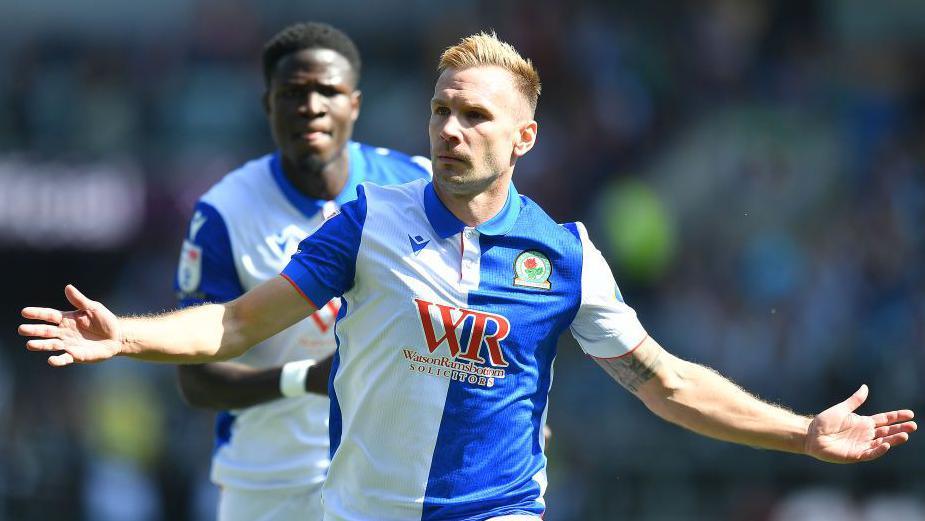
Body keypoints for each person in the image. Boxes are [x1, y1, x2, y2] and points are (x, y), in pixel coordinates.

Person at [19, 32, 916, 521]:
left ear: (522, 138)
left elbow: (666, 383)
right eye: (442, 109)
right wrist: (125, 333)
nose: (451, 128)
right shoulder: (368, 219)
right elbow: (235, 325)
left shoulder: (563, 254)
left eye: (476, 115)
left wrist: (801, 433)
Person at [172, 22, 430, 521]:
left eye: (328, 91)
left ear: (354, 103)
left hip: (394, 474)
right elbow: (197, 380)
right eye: (293, 92)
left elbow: (479, 303)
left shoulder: (415, 187)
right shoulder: (225, 212)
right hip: (271, 483)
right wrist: (303, 379)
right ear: (268, 104)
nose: (311, 105)